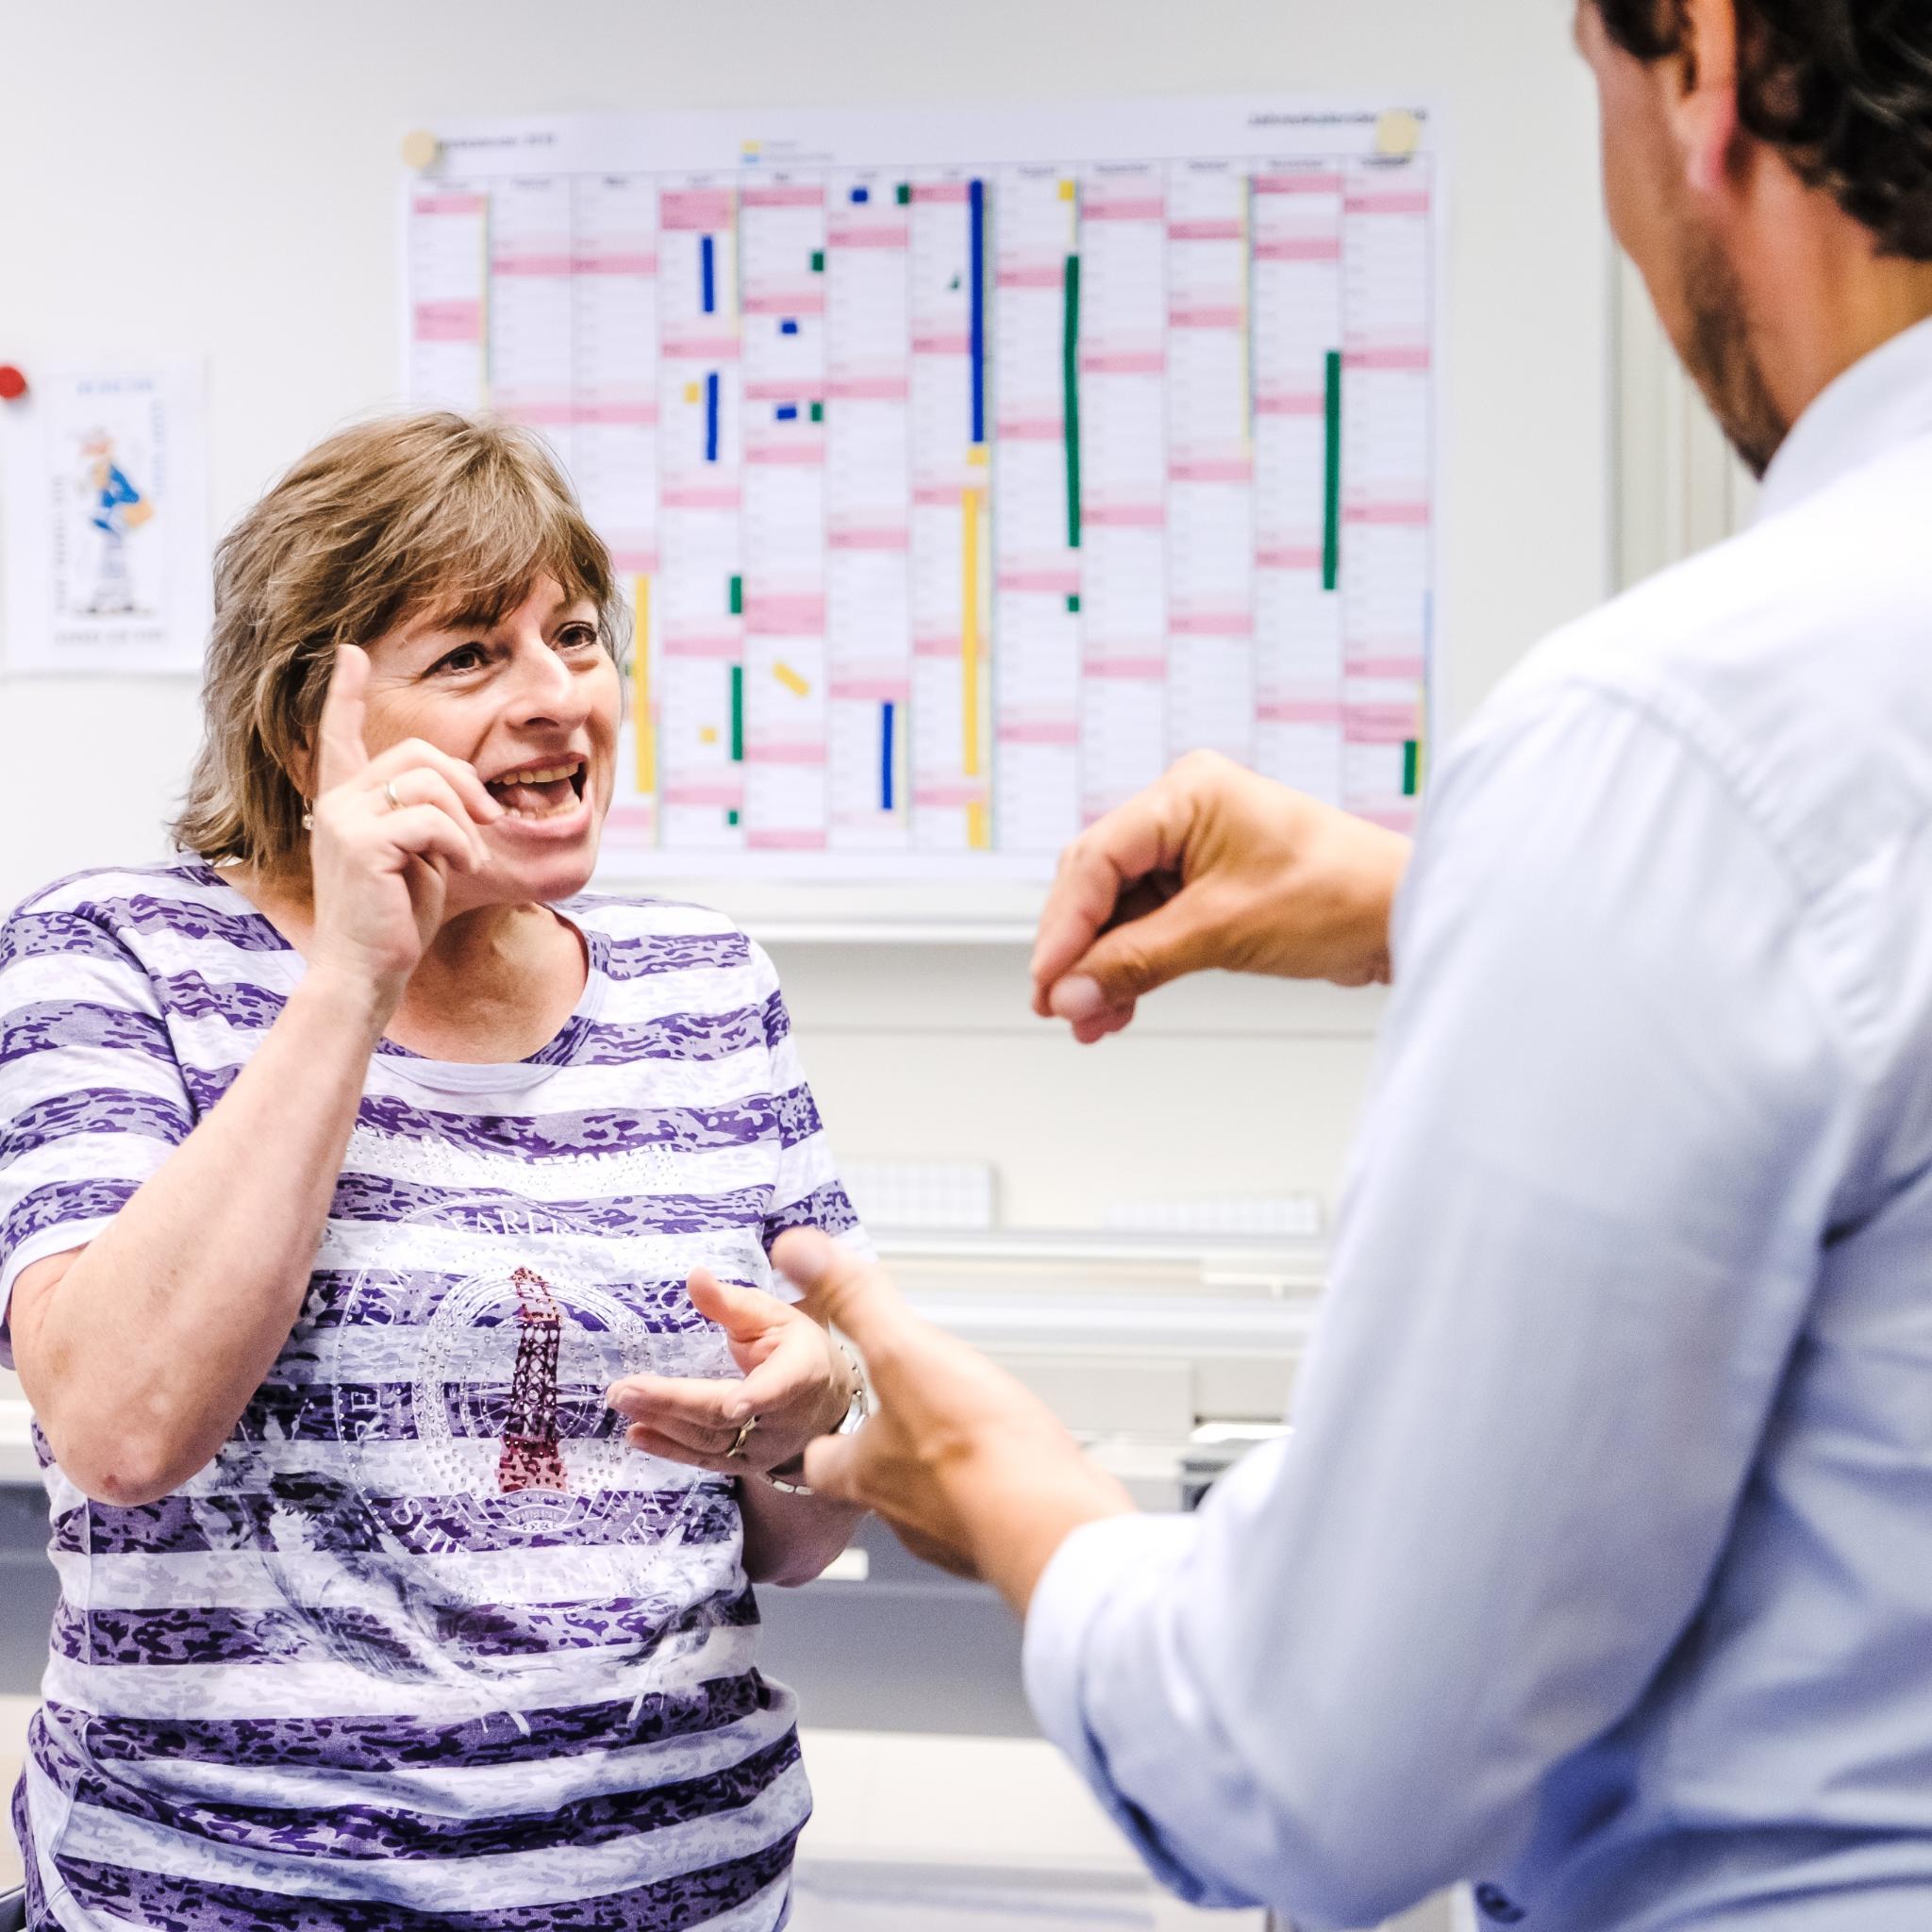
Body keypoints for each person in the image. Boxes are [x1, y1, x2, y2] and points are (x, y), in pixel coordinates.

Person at [763, 4, 1932, 1927]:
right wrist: (1455, 886)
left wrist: (1010, 1488)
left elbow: (1307, 1773)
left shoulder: (1681, 735)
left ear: (1704, 67)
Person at [0, 412, 869, 1930]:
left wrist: (811, 1418)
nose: (555, 701)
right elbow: (124, 1430)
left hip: (685, 1889)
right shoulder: (112, 955)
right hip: (226, 1897)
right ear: (301, 728)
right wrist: (350, 975)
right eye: (469, 656)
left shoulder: (710, 983)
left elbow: (800, 1530)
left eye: (576, 637)